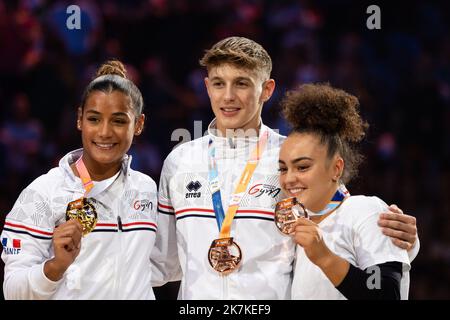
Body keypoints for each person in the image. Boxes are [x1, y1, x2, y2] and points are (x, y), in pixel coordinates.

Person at [155, 36, 419, 299]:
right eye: (218, 84)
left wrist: (404, 242)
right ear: (207, 87)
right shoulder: (180, 161)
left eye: (242, 84)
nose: (228, 96)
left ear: (267, 89)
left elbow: (342, 224)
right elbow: (164, 263)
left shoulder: (293, 158)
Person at [1, 60, 168, 299]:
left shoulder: (146, 189)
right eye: (94, 119)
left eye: (119, 121)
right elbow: (13, 291)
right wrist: (56, 267)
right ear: (79, 119)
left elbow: (159, 266)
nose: (104, 132)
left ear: (138, 124)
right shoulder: (42, 193)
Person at [278, 83, 411, 299]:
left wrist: (325, 258)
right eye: (283, 168)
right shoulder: (299, 231)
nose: (289, 178)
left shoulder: (365, 210)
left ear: (336, 168)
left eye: (302, 167)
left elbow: (386, 292)